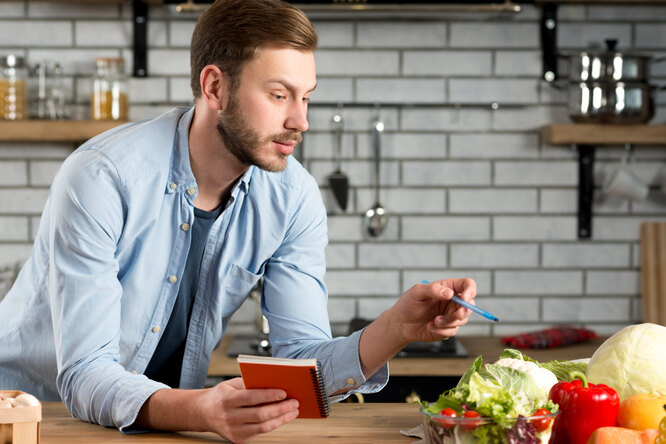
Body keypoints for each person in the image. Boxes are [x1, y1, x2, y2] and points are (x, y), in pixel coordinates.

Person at [0, 0, 476, 442]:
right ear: (215, 88)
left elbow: (300, 365)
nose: (300, 121)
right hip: (37, 419)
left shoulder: (293, 197)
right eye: (278, 94)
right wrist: (201, 412)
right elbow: (85, 373)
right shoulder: (103, 177)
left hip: (163, 425)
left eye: (306, 97)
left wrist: (396, 328)